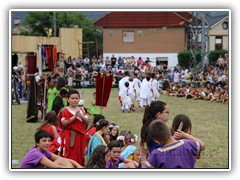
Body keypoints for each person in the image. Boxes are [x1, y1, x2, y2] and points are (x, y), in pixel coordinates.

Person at [59, 89, 89, 166]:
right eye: (72, 98)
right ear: (68, 99)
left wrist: (81, 116)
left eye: (76, 98)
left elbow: (87, 121)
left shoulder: (81, 109)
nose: (75, 100)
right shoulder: (65, 110)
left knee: (79, 152)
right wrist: (73, 117)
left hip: (80, 135)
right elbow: (64, 123)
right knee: (70, 153)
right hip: (70, 135)